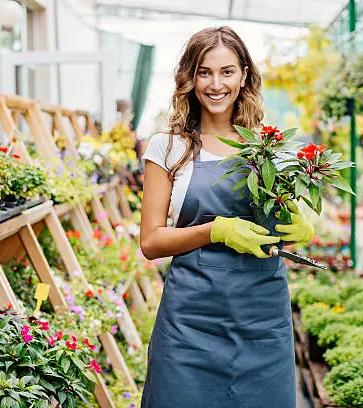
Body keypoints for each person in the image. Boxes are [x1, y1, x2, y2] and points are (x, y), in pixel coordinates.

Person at [139, 26, 314, 407]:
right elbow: (151, 242)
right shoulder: (169, 147)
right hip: (190, 326)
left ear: (244, 76)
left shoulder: (270, 149)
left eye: (227, 71)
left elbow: (284, 223)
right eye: (204, 72)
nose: (215, 84)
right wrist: (215, 230)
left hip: (262, 323)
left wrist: (302, 227)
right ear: (190, 77)